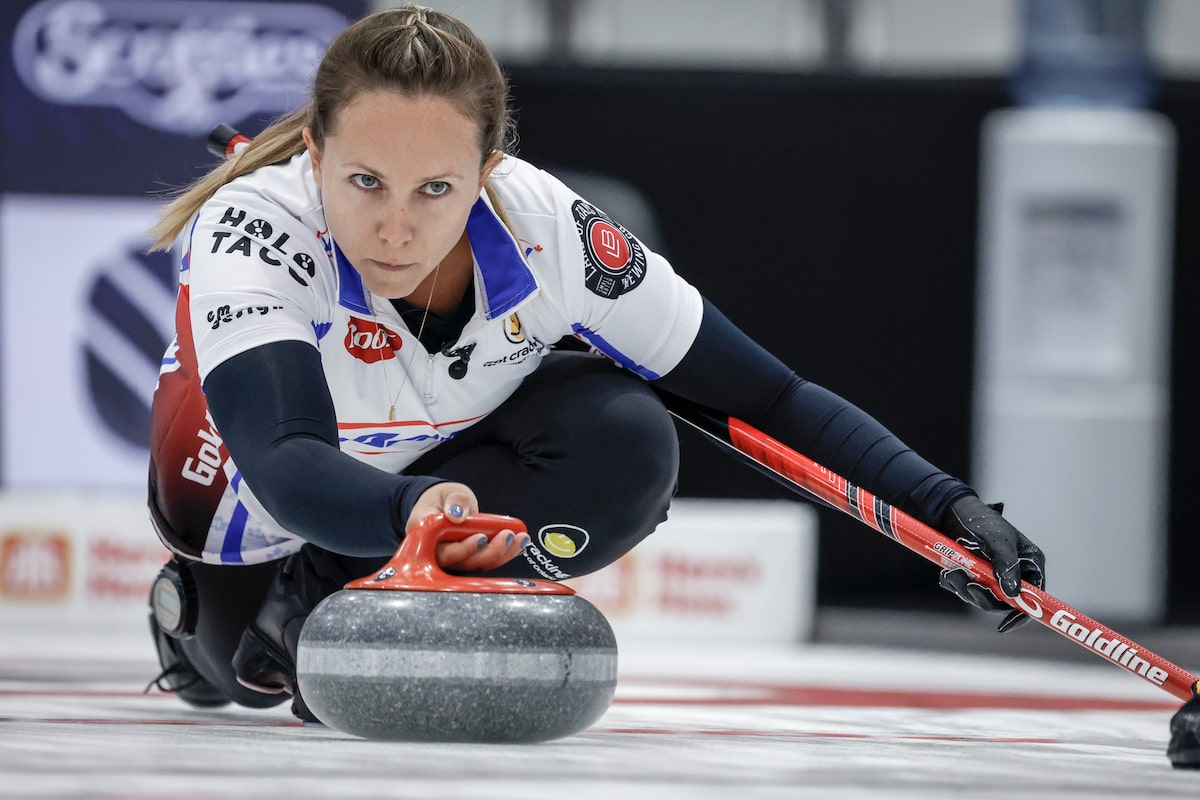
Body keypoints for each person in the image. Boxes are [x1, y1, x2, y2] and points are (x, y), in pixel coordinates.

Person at [143, 6, 1046, 722]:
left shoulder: (554, 232)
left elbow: (771, 395)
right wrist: (410, 509)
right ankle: (214, 622)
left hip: (417, 475)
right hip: (251, 492)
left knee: (623, 436)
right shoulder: (256, 224)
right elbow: (288, 457)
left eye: (436, 190)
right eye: (366, 182)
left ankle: (325, 600)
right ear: (315, 155)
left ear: (488, 170)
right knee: (237, 671)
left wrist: (948, 506)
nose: (396, 229)